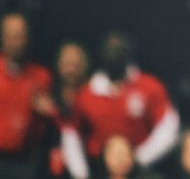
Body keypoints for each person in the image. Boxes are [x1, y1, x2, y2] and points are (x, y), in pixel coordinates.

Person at [62, 31, 180, 178]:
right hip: (100, 171)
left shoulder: (149, 86)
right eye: (110, 50)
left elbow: (169, 127)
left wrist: (139, 158)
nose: (115, 55)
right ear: (101, 53)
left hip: (142, 171)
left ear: (129, 52)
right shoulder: (86, 93)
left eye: (119, 49)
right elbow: (71, 133)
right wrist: (80, 173)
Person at [0, 13, 54, 179]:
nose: (16, 42)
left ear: (28, 38)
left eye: (21, 36)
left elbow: (49, 121)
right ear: (2, 38)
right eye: (11, 36)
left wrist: (48, 112)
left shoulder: (42, 76)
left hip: (25, 161)